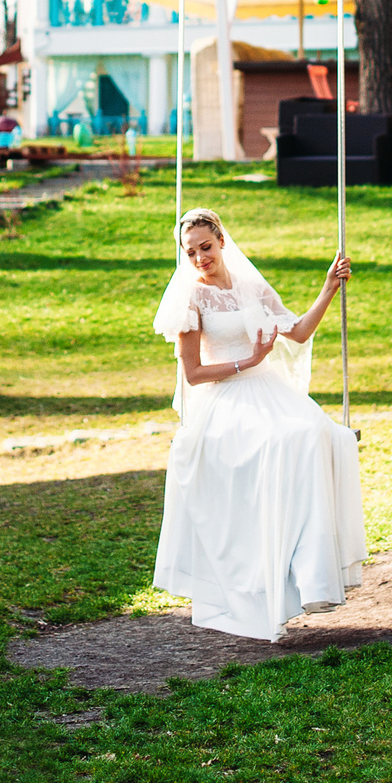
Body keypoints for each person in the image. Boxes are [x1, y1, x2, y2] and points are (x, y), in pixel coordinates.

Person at [152, 206, 364, 641]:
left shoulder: (250, 285)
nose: (199, 258)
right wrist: (246, 361)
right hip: (226, 397)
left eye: (206, 247)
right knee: (284, 441)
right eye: (190, 252)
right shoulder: (191, 298)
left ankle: (310, 573)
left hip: (268, 390)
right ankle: (270, 579)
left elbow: (298, 332)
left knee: (320, 434)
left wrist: (328, 288)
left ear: (222, 241)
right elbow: (193, 373)